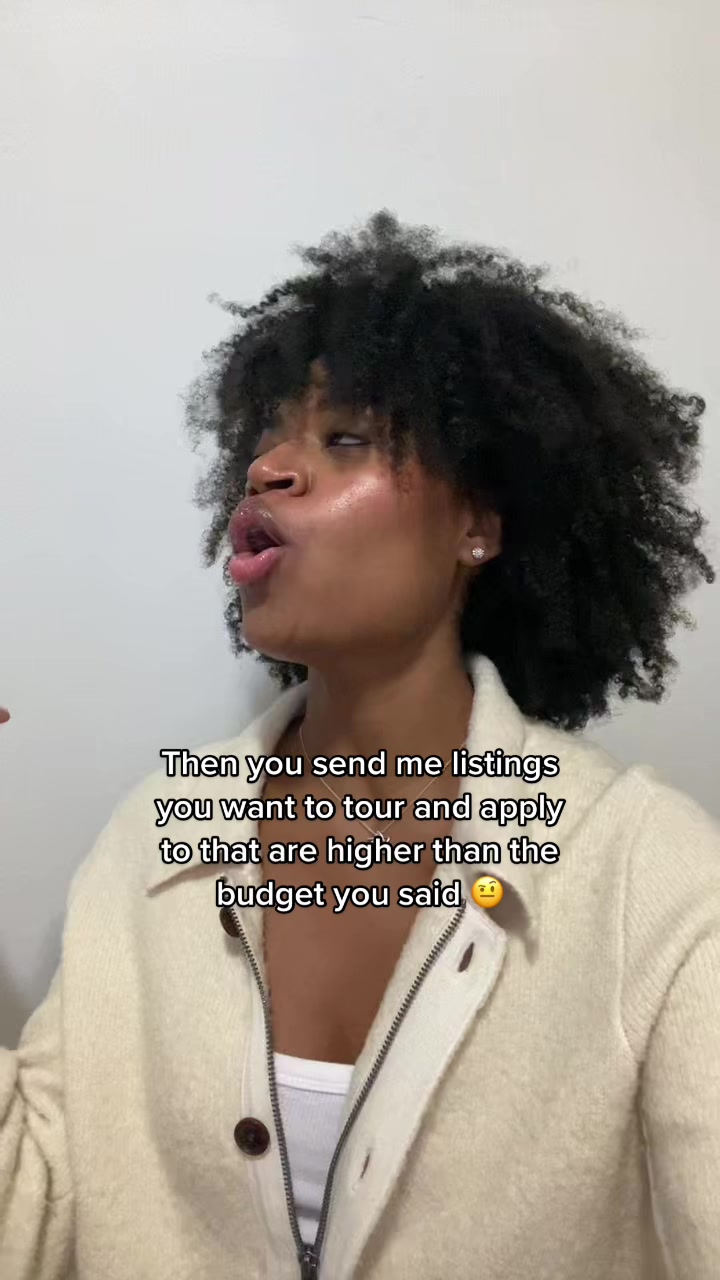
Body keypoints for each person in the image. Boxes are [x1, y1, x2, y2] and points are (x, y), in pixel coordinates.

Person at [1, 210, 719, 1280]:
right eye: (268, 440)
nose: (268, 470)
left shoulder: (642, 870)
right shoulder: (157, 838)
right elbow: (34, 1220)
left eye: (345, 440)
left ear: (479, 525)